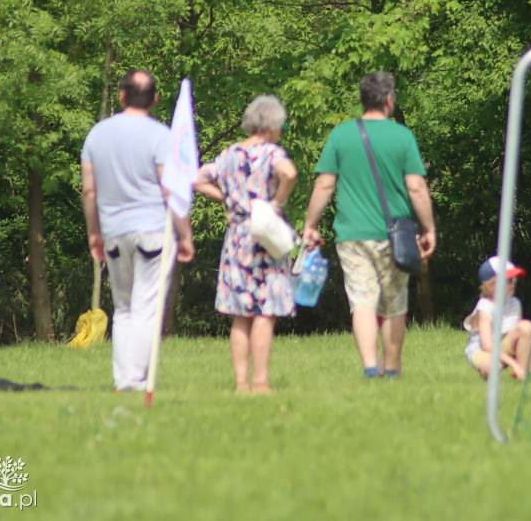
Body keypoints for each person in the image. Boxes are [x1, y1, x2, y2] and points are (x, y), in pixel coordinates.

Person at [302, 71, 436, 379]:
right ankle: (391, 369)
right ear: (389, 100)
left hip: (351, 234)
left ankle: (369, 366)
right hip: (394, 235)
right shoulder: (402, 136)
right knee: (394, 302)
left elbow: (324, 185)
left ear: (362, 100)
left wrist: (310, 224)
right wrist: (428, 229)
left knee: (361, 300)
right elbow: (416, 187)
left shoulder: (341, 135)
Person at [81, 70, 195, 392]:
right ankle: (135, 380)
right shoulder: (162, 136)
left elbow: (89, 191)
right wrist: (185, 235)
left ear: (120, 96)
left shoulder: (96, 135)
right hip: (153, 232)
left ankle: (123, 380)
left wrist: (94, 233)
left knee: (124, 309)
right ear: (155, 99)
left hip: (114, 232)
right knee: (146, 307)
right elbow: (171, 190)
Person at [193, 95, 298, 393]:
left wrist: (228, 199)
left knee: (240, 314)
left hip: (237, 236)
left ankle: (241, 384)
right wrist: (277, 203)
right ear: (273, 124)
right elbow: (288, 173)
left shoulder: (228, 154)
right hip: (265, 235)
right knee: (265, 311)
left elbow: (197, 179)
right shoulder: (272, 153)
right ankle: (261, 382)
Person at [463, 257, 531, 380]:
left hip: (503, 345)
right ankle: (494, 371)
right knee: (491, 367)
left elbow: (520, 334)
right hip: (482, 350)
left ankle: (521, 375)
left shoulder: (515, 303)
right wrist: (513, 363)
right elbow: (487, 345)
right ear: (490, 286)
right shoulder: (485, 307)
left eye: (514, 279)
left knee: (526, 326)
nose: (513, 283)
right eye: (508, 280)